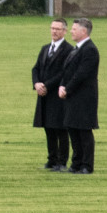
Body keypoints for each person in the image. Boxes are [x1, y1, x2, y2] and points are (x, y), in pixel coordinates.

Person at [58, 17, 99, 174]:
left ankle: (86, 165)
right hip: (72, 96)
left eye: (74, 29)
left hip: (84, 98)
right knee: (73, 129)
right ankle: (76, 163)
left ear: (84, 31)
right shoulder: (76, 49)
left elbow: (81, 74)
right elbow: (67, 71)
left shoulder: (90, 50)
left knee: (84, 131)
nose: (71, 32)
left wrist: (67, 89)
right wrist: (62, 85)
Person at [33, 18, 71, 172]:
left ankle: (62, 162)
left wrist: (46, 85)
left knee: (60, 130)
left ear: (64, 31)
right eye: (52, 28)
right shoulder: (45, 48)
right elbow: (35, 69)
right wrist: (36, 84)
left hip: (57, 96)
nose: (54, 31)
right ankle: (51, 159)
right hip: (44, 96)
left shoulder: (69, 50)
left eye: (58, 29)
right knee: (48, 128)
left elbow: (63, 73)